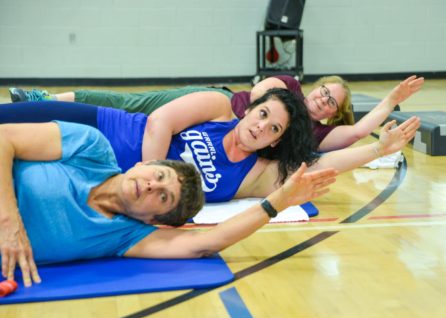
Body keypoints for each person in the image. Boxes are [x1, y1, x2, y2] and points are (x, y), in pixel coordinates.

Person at [0, 120, 338, 287]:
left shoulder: (123, 236)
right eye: (158, 176)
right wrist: (8, 220)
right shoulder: (91, 147)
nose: (150, 185)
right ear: (142, 164)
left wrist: (277, 202)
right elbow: (4, 138)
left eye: (162, 197)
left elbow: (207, 242)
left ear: (154, 220)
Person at [0, 88, 320, 203]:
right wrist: (153, 171)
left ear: (276, 140)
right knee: (7, 121)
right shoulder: (219, 107)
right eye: (262, 113)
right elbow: (159, 121)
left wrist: (374, 150)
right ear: (250, 109)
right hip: (105, 129)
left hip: (103, 179)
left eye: (273, 128)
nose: (261, 126)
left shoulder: (253, 175)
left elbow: (324, 162)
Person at [8, 75, 424, 151]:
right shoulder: (290, 89)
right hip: (210, 103)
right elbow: (262, 91)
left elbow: (355, 135)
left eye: (330, 102)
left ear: (333, 115)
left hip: (207, 135)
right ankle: (42, 97)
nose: (320, 100)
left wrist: (390, 101)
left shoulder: (312, 136)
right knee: (124, 104)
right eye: (322, 92)